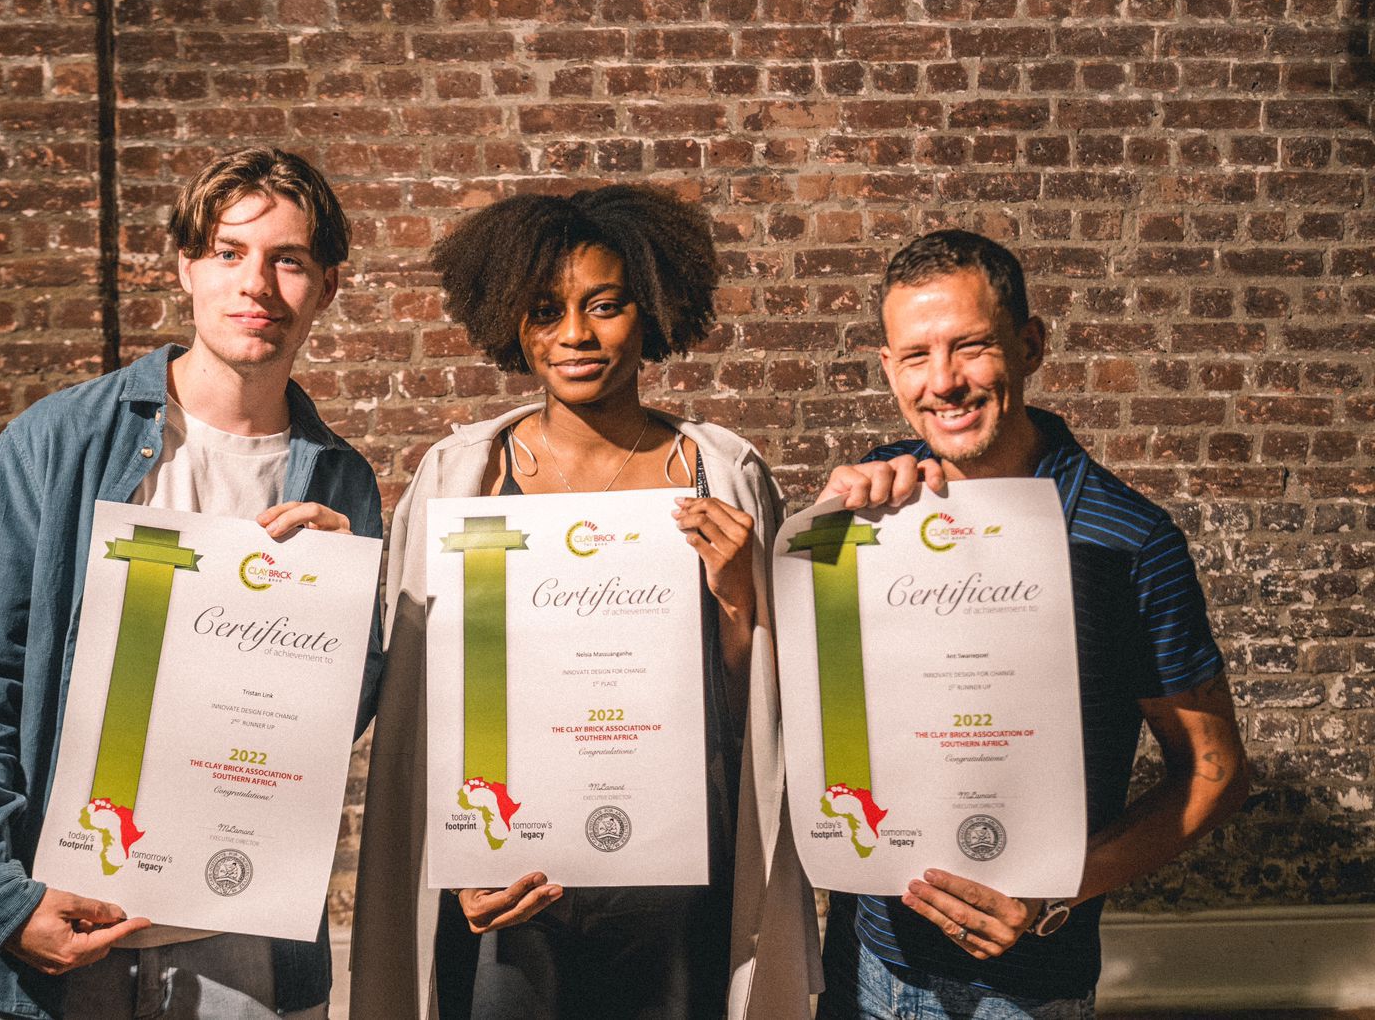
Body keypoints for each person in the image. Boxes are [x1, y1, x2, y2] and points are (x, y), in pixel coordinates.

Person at [0, 147, 384, 1020]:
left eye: (288, 260)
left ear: (327, 286)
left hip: (242, 933)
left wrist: (341, 609)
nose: (256, 284)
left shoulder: (341, 482)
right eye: (229, 252)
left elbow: (332, 723)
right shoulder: (60, 440)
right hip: (61, 924)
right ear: (186, 267)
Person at [350, 186, 821, 1020]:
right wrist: (459, 858)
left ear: (652, 311)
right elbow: (422, 702)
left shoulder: (721, 474)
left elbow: (760, 709)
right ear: (511, 321)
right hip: (510, 873)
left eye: (605, 306)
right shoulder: (461, 476)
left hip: (673, 872)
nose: (574, 334)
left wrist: (739, 600)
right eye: (545, 311)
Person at [812, 230, 1250, 1019]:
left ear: (1031, 345)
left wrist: (1057, 890)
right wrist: (823, 531)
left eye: (971, 347)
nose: (943, 382)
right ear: (888, 367)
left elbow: (1214, 772)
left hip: (1025, 987)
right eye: (916, 356)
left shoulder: (1130, 541)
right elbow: (816, 684)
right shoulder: (878, 500)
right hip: (864, 956)